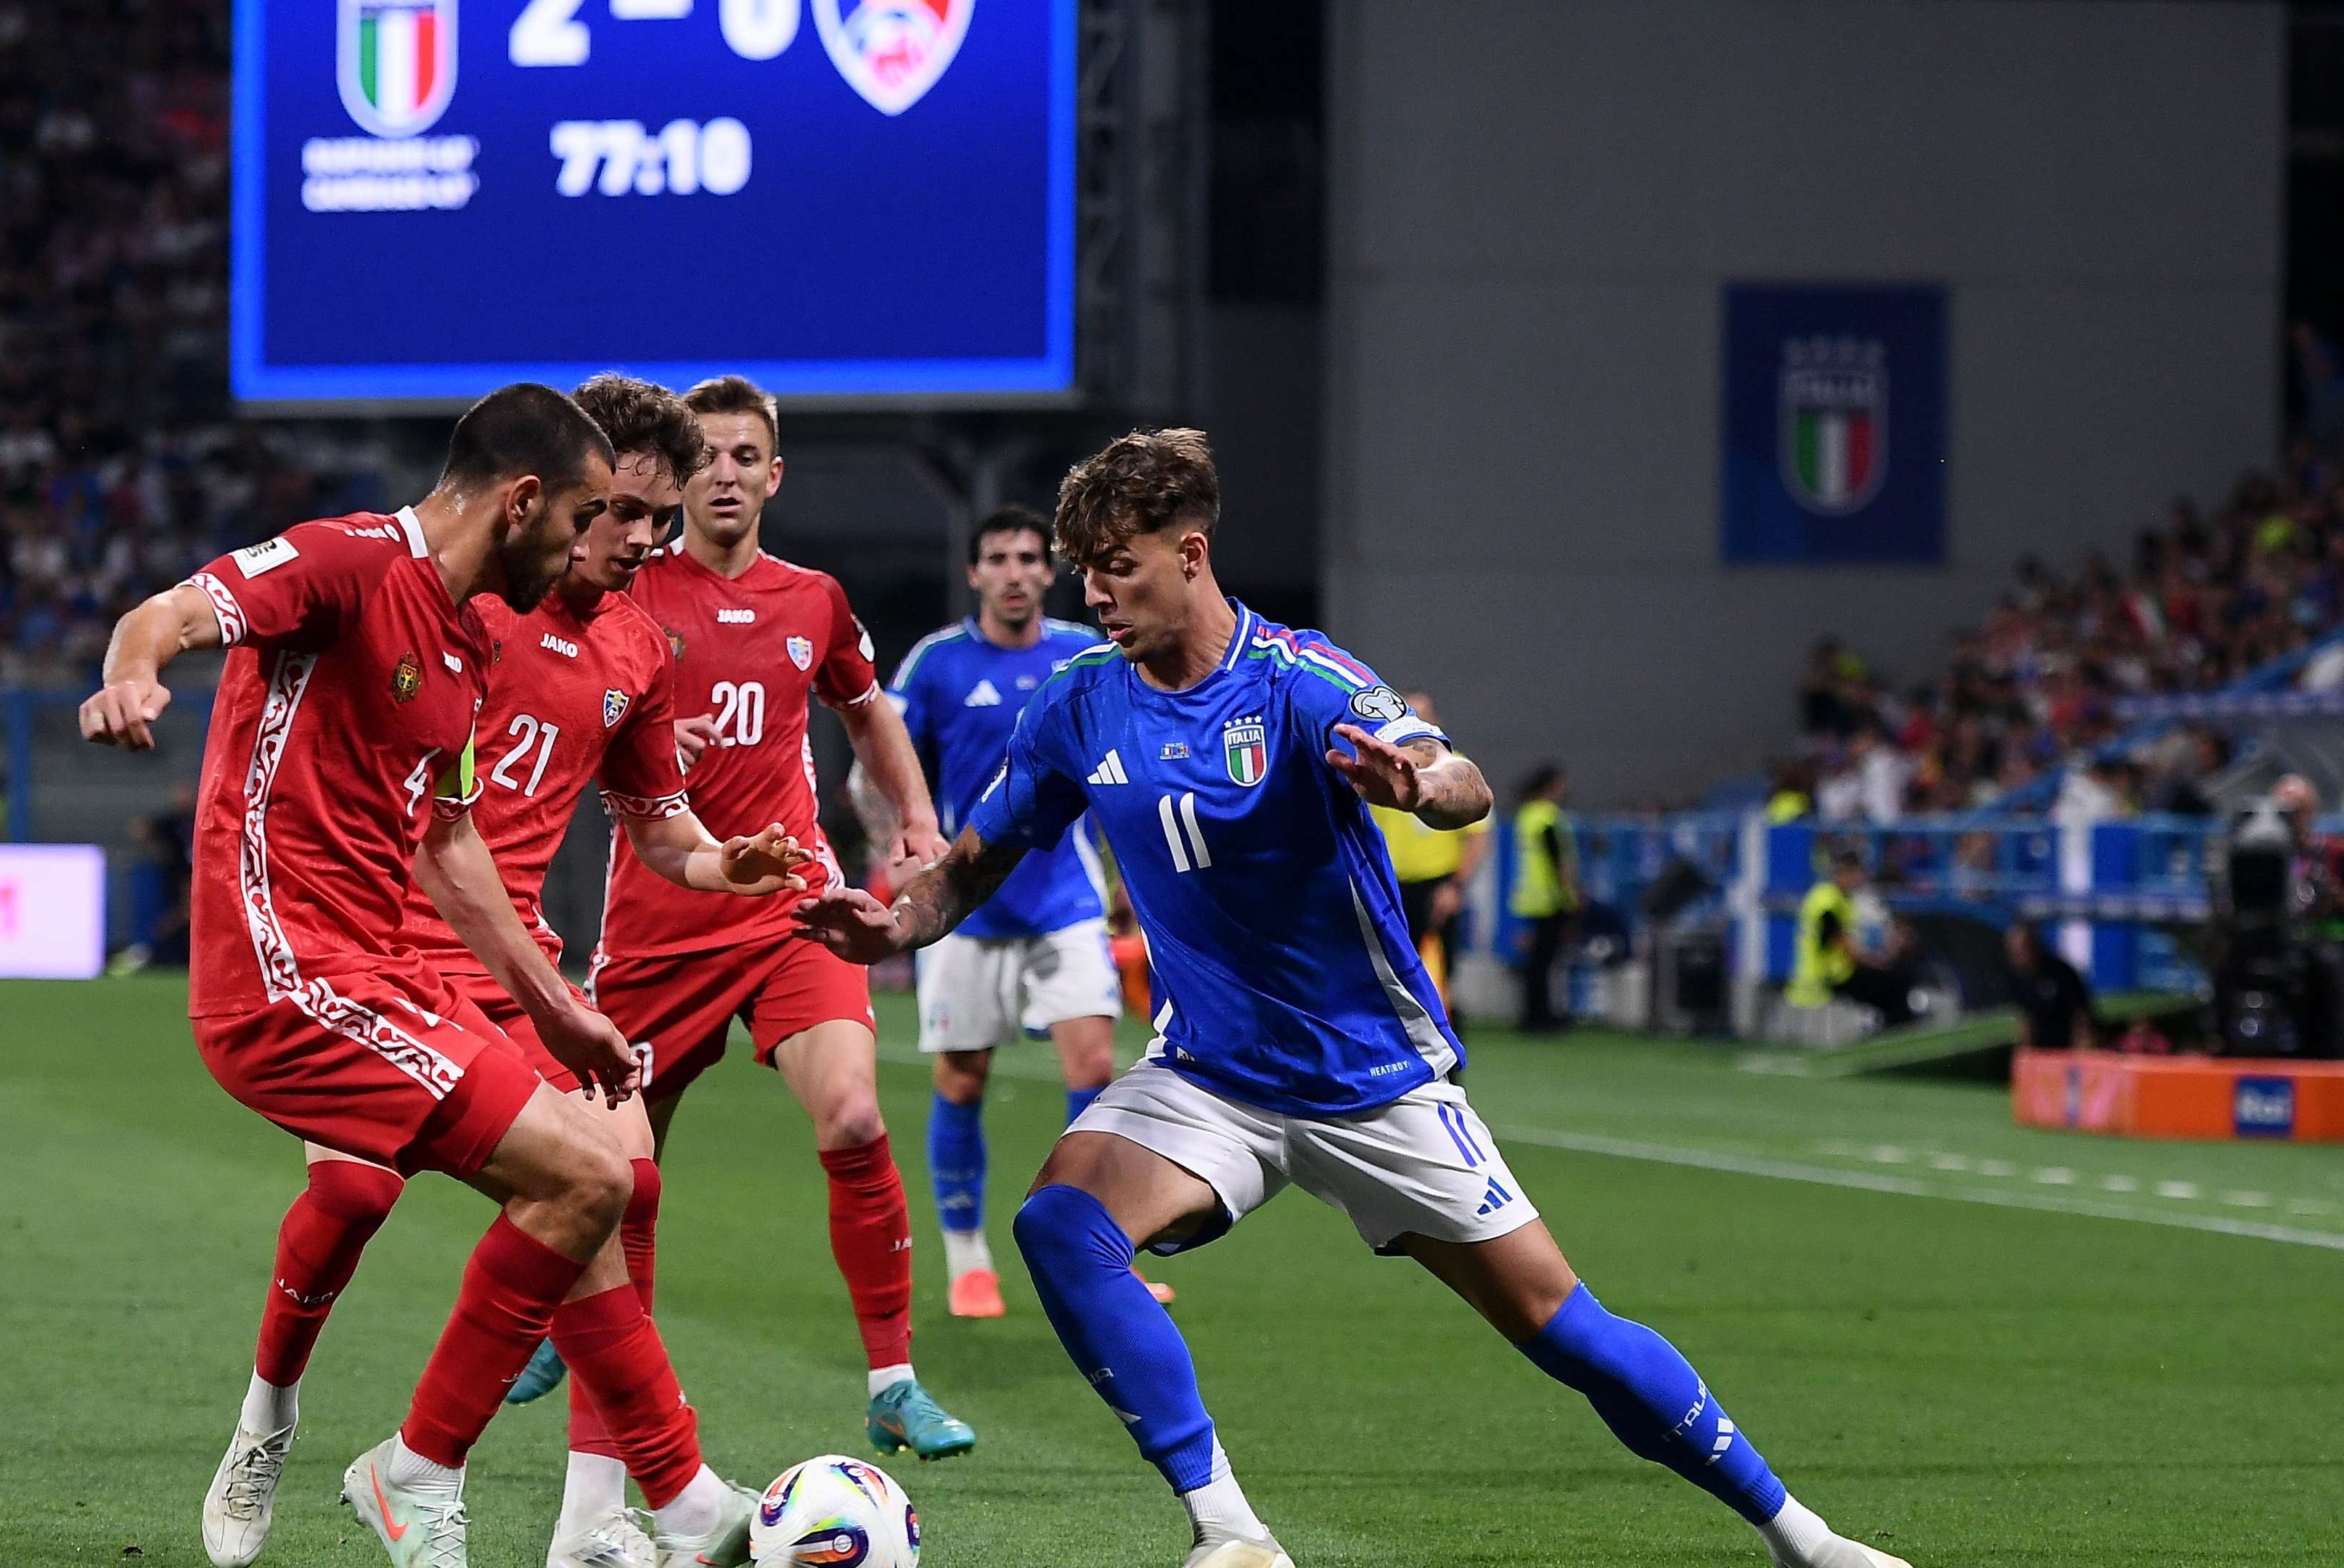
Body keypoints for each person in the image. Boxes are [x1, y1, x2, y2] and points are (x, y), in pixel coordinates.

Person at [793, 428, 1910, 1568]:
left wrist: (1416, 785)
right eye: (1086, 571)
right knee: (1061, 1224)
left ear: (1191, 553)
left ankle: (1806, 1540)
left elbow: (1461, 780)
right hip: (1210, 1076)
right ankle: (1231, 1533)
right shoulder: (1080, 702)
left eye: (1118, 567)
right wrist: (899, 922)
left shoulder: (1300, 678)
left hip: (1369, 1078)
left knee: (1561, 1326)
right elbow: (972, 863)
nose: (1096, 595)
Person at [81, 385, 733, 1568]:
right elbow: (167, 612)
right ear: (525, 501)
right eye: (588, 516)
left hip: (383, 971)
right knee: (430, 1192)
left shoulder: (468, 637)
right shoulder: (349, 561)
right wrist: (132, 673)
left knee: (599, 1179)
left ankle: (649, 1502)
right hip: (282, 976)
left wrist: (558, 1009)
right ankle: (371, 1453)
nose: (605, 546)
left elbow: (450, 843)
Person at [588, 375, 976, 1461]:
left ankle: (894, 1381)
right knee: (613, 1177)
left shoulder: (814, 600)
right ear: (679, 475)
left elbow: (868, 708)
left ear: (774, 475)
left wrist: (915, 819)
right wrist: (641, 746)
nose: (725, 474)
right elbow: (570, 715)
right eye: (706, 456)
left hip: (788, 907)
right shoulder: (625, 593)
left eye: (745, 456)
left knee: (853, 1115)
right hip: (659, 919)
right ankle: (581, 1336)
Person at [852, 503, 1168, 1320]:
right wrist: (895, 847)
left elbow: (1125, 766)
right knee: (964, 1078)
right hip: (969, 909)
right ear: (975, 574)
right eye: (999, 558)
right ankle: (968, 1261)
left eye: (1030, 558)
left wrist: (1133, 875)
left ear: (1048, 571)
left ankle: (1101, 1255)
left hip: (1066, 900)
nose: (1016, 573)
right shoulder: (939, 662)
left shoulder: (1085, 654)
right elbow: (878, 758)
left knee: (1094, 1073)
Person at [1370, 691, 1490, 1025]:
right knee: (1390, 977)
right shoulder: (1380, 770)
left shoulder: (1456, 770)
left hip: (1437, 887)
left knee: (1438, 977)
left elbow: (1478, 837)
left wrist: (1455, 887)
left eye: (1422, 717)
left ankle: (1446, 1048)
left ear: (1436, 723)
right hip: (1390, 888)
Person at [1787, 849, 1919, 1029]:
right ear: (1844, 872)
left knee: (1894, 981)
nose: (1860, 878)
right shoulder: (1828, 902)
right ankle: (1897, 1029)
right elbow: (1845, 947)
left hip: (1833, 974)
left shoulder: (1837, 898)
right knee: (1896, 982)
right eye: (1857, 872)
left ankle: (1891, 1026)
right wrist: (1879, 961)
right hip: (1828, 978)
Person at [1508, 761, 1577, 1032]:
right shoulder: (1548, 816)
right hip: (1550, 897)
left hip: (1529, 897)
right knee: (1545, 962)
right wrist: (1570, 892)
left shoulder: (1527, 814)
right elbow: (1557, 859)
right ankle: (1542, 1017)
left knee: (1536, 961)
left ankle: (1533, 1014)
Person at [2004, 922, 2094, 1053]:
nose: (2019, 957)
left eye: (2023, 950)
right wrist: (2026, 1050)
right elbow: (2025, 1019)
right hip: (2043, 1048)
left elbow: (2080, 1013)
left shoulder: (2060, 972)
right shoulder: (2016, 978)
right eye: (2015, 952)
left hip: (2068, 1044)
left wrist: (2081, 1045)